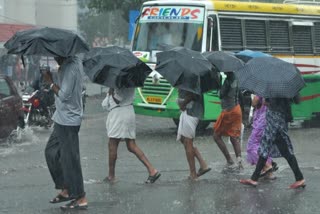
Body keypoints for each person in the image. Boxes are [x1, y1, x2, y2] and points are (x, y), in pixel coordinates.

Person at [42, 56, 88, 210]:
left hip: (69, 120)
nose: (54, 56)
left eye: (56, 54)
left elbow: (64, 95)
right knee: (51, 152)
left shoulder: (71, 68)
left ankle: (80, 197)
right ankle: (67, 189)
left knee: (70, 161)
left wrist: (50, 82)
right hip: (61, 118)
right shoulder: (66, 65)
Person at [240, 95, 305, 189]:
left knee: (281, 151)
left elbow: (269, 103)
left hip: (275, 123)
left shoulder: (275, 90)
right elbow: (293, 101)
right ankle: (254, 179)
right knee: (266, 150)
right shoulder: (282, 89)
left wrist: (266, 102)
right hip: (274, 122)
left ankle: (300, 178)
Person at [102, 87, 161, 183]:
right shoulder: (131, 80)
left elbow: (117, 99)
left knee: (112, 145)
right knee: (131, 145)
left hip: (119, 113)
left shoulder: (120, 81)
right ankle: (152, 170)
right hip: (128, 110)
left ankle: (111, 176)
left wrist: (111, 89)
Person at [177, 89, 211, 180]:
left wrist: (183, 104)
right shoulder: (189, 77)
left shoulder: (192, 78)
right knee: (183, 139)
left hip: (191, 112)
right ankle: (203, 164)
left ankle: (193, 174)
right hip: (189, 112)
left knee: (188, 142)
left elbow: (192, 94)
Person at [213, 72, 243, 171]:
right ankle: (239, 163)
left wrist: (218, 83)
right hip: (237, 109)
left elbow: (221, 95)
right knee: (234, 137)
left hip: (228, 111)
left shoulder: (228, 80)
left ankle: (229, 161)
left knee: (216, 136)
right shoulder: (237, 78)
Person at [246, 95, 277, 179]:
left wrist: (256, 97)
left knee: (251, 146)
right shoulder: (273, 89)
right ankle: (269, 173)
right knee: (263, 146)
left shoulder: (262, 90)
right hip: (270, 119)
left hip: (262, 121)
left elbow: (254, 103)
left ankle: (267, 166)